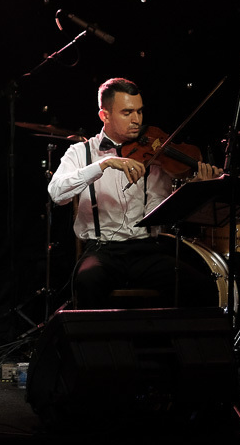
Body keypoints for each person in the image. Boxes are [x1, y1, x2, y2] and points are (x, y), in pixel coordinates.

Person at [47, 77, 223, 308]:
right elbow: (57, 194)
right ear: (104, 115)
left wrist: (195, 188)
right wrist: (102, 164)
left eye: (139, 112)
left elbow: (167, 212)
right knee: (87, 281)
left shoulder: (157, 156)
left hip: (147, 250)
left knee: (200, 286)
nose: (137, 120)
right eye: (127, 112)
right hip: (102, 250)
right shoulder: (81, 152)